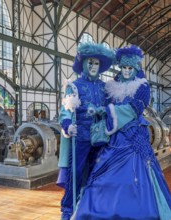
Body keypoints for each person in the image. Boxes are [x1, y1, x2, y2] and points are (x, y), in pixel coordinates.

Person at [73, 45, 171, 220]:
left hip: (133, 138)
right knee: (103, 176)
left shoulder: (142, 87)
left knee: (135, 178)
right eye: (124, 67)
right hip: (113, 139)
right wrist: (99, 110)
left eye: (130, 68)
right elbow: (107, 105)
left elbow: (134, 109)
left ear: (135, 68)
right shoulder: (111, 87)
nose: (126, 71)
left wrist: (108, 112)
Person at [57, 42, 114, 219]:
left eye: (96, 63)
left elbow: (112, 109)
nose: (93, 66)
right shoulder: (73, 86)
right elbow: (65, 111)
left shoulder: (104, 88)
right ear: (83, 64)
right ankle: (68, 209)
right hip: (80, 137)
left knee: (98, 172)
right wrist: (68, 126)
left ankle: (92, 206)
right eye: (90, 62)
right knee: (76, 173)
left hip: (101, 139)